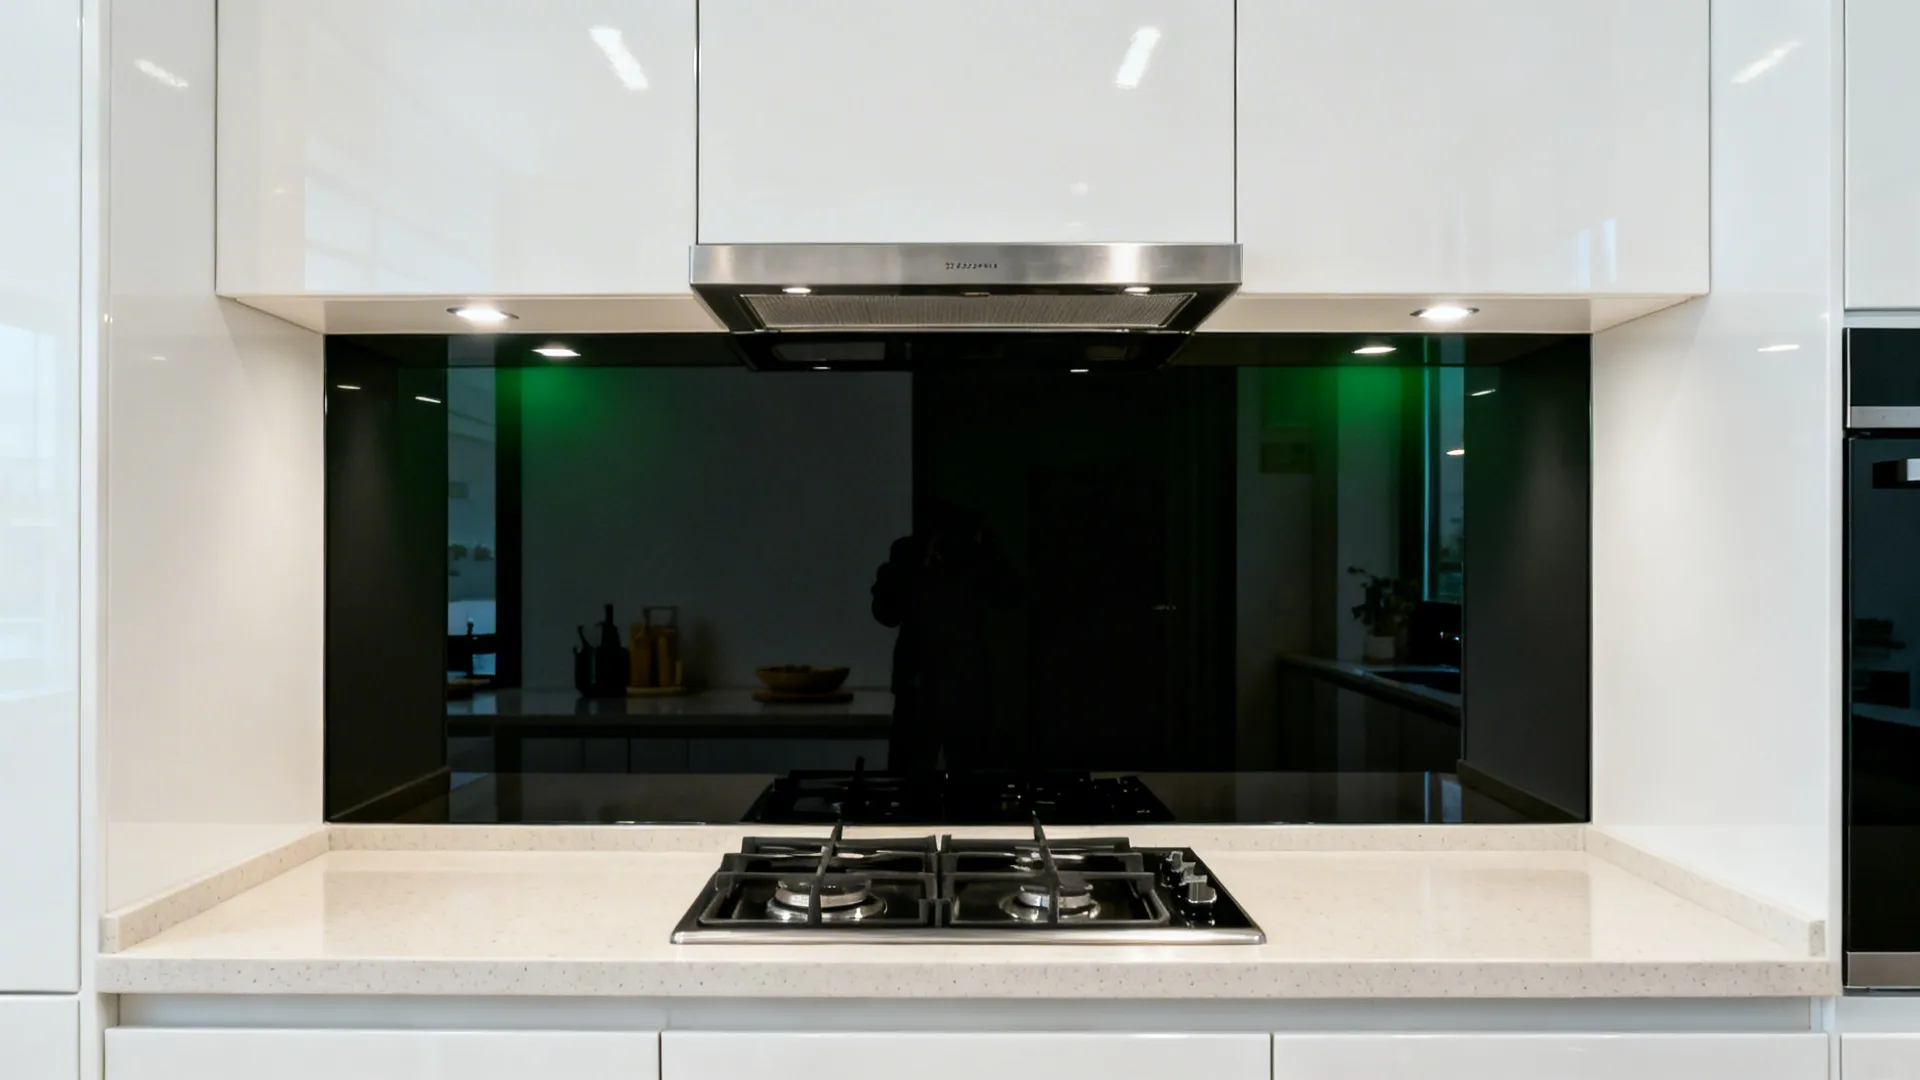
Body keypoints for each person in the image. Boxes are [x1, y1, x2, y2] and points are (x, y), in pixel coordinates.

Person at [870, 502, 1013, 773]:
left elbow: (1008, 594)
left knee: (969, 774)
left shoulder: (975, 560)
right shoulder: (909, 558)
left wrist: (987, 548)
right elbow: (886, 613)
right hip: (921, 682)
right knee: (909, 772)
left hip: (963, 683)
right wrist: (898, 574)